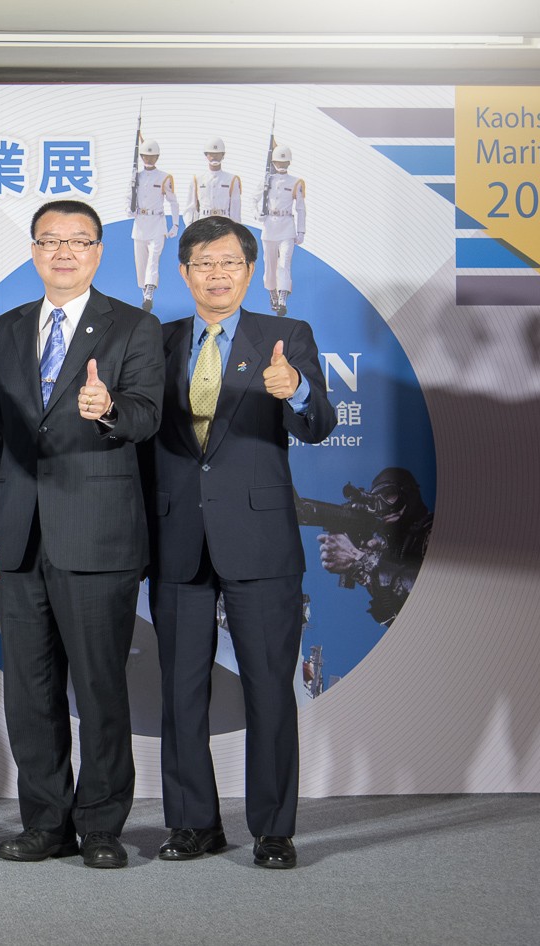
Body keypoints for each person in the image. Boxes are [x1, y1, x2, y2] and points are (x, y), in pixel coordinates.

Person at [0, 200, 164, 869]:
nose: (64, 252)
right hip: (19, 537)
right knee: (30, 691)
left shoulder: (134, 326)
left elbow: (148, 415)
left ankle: (101, 827)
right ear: (33, 251)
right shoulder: (4, 329)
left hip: (98, 534)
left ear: (99, 252)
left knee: (101, 688)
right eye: (50, 241)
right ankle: (45, 822)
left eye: (78, 241)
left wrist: (108, 409)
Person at [140, 215, 336, 870]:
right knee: (181, 690)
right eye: (202, 263)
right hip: (176, 536)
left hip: (259, 538)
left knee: (269, 690)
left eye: (229, 262)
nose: (216, 274)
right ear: (183, 272)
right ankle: (193, 823)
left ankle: (274, 830)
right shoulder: (157, 340)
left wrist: (296, 389)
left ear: (250, 271)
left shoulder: (286, 337)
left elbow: (318, 423)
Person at [316, 467, 433, 627]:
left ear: (409, 493)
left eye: (389, 495)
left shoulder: (437, 529)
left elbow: (433, 592)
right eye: (375, 500)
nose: (383, 506)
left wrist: (362, 561)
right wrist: (365, 564)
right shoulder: (392, 546)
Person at [130, 139, 182, 311]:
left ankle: (150, 291)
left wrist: (175, 224)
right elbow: (128, 197)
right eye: (145, 156)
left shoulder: (164, 177)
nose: (149, 159)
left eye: (152, 156)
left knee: (153, 260)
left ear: (157, 157)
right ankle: (145, 291)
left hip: (157, 224)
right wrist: (129, 209)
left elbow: (173, 202)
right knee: (141, 264)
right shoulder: (136, 177)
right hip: (140, 224)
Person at [259, 144, 306, 316]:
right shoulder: (267, 181)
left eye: (285, 162)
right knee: (269, 265)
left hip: (287, 227)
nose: (281, 165)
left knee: (284, 263)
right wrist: (258, 214)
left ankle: (282, 297)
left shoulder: (295, 182)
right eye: (278, 162)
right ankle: (272, 292)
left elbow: (301, 208)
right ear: (273, 162)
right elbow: (253, 199)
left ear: (289, 163)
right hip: (270, 227)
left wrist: (301, 231)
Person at [187, 137, 241, 225]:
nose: (214, 156)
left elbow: (235, 209)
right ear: (206, 155)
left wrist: (236, 228)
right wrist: (189, 226)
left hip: (224, 223)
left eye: (218, 154)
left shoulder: (232, 179)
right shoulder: (197, 179)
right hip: (204, 221)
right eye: (211, 153)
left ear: (223, 155)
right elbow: (191, 207)